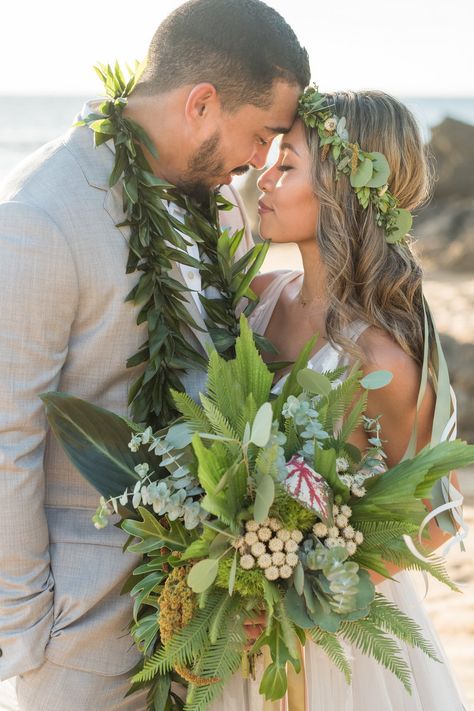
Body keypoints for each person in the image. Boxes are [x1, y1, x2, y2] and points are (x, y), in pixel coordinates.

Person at [0, 2, 310, 709]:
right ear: (201, 103)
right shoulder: (40, 216)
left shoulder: (215, 204)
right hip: (87, 636)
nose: (260, 163)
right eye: (261, 135)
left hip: (214, 624)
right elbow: (6, 436)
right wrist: (28, 631)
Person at [231, 91, 466, 709]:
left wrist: (303, 596)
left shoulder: (380, 359)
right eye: (269, 160)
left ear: (341, 187)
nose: (265, 176)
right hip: (233, 633)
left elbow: (437, 516)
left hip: (339, 652)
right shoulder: (256, 296)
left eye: (287, 166)